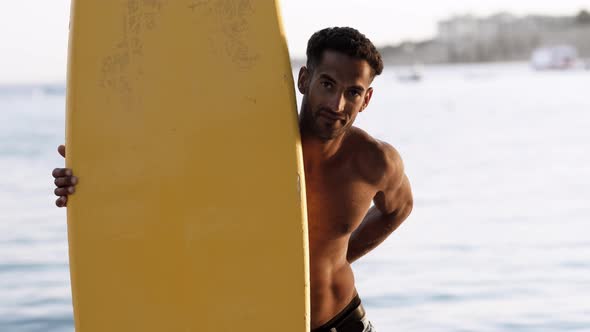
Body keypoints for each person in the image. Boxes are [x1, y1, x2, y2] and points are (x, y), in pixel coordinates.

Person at [53, 27, 413, 332]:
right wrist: (88, 179)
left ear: (366, 99)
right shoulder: (247, 145)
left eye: (352, 92)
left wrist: (341, 257)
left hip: (342, 321)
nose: (336, 104)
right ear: (305, 80)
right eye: (327, 84)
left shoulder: (375, 162)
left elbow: (399, 209)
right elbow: (160, 176)